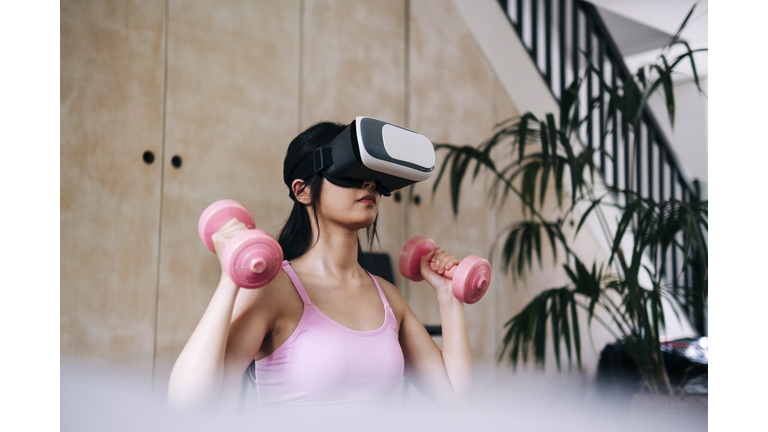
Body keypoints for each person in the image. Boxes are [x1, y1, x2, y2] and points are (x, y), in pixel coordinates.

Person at [167, 120, 473, 409]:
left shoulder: (388, 297)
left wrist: (449, 297)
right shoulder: (274, 290)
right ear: (303, 190)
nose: (368, 183)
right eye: (349, 172)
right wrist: (230, 279)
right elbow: (187, 406)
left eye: (372, 176)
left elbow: (457, 402)